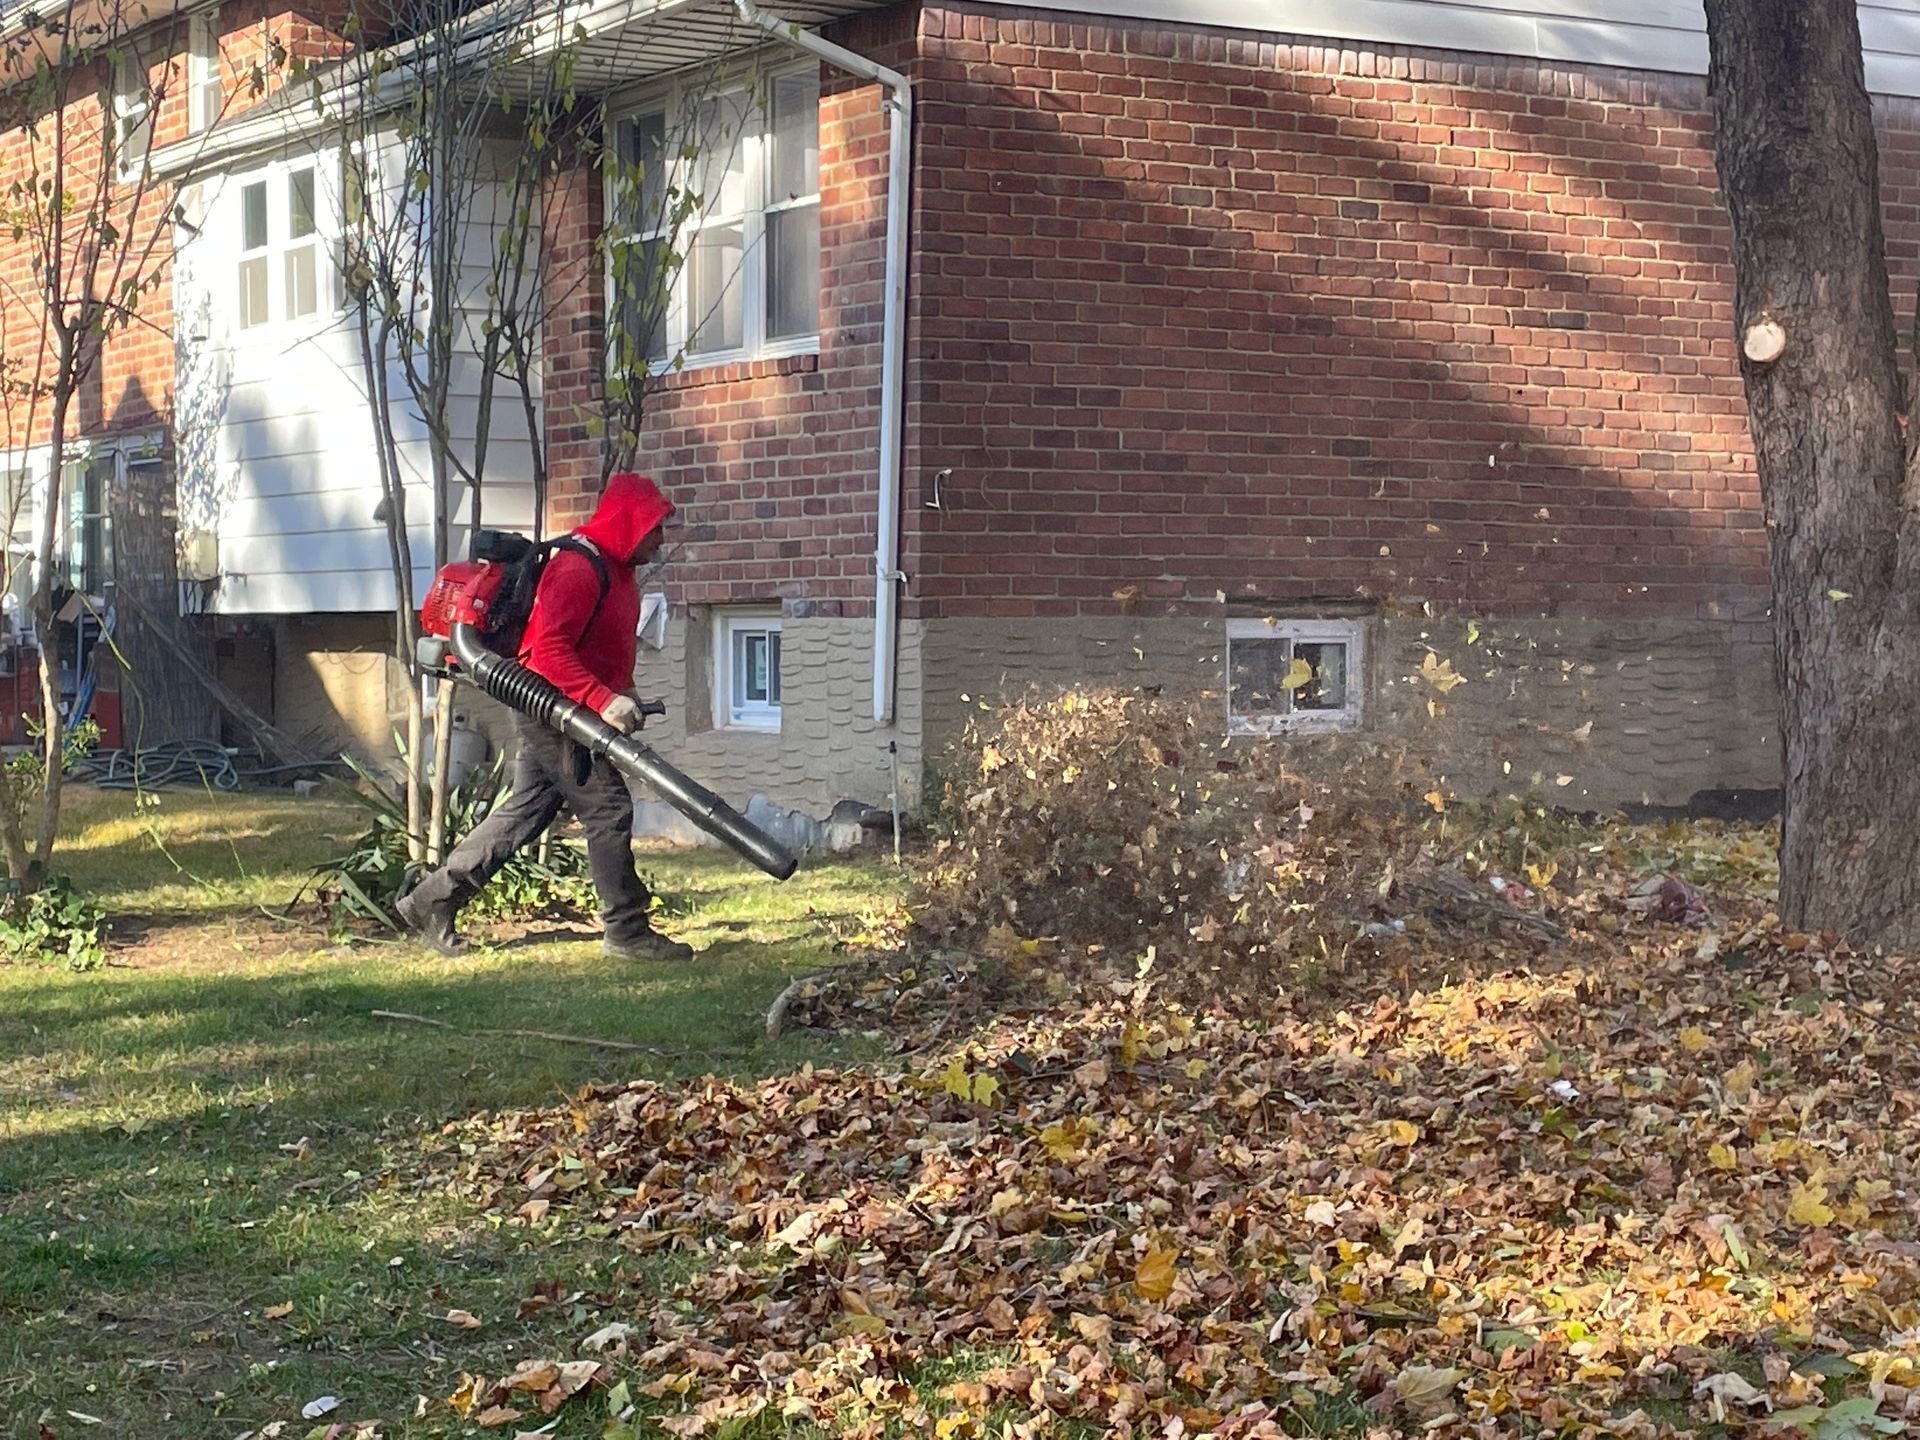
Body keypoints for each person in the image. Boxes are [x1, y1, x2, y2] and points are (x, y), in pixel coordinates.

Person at [395, 472, 694, 962]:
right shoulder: (578, 569)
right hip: (550, 707)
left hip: (571, 705)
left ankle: (432, 900)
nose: (660, 540)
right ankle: (627, 932)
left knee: (527, 811)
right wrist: (601, 700)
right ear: (628, 523)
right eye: (655, 527)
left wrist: (623, 693)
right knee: (608, 808)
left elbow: (603, 644)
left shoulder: (618, 570)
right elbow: (546, 650)